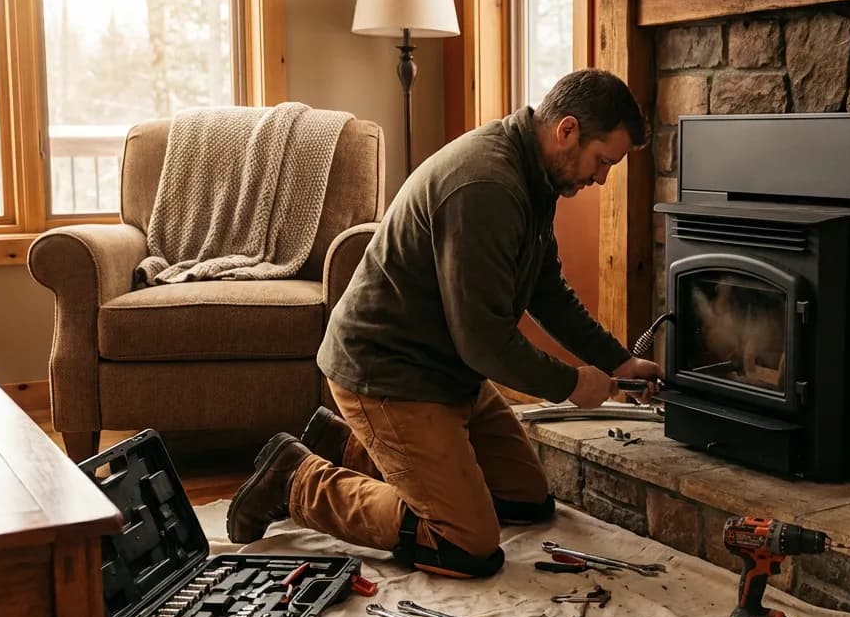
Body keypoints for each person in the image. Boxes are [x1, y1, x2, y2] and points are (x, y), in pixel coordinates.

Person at [226, 68, 663, 578]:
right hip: (390, 374)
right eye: (602, 161)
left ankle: (341, 445)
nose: (601, 177)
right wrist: (571, 384)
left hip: (446, 371)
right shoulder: (488, 185)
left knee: (523, 501)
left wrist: (618, 360)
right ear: (567, 130)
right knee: (465, 544)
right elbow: (485, 344)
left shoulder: (537, 175)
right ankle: (296, 479)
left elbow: (548, 293)